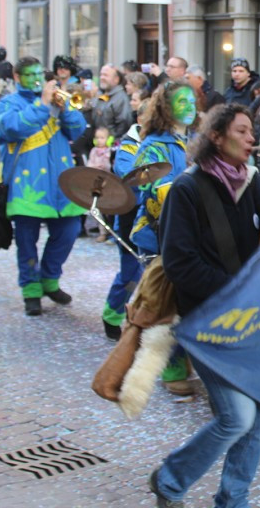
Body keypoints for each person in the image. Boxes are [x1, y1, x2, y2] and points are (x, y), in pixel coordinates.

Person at [148, 103, 260, 508]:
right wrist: (234, 290)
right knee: (237, 417)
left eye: (251, 132)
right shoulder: (187, 189)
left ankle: (233, 499)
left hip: (249, 320)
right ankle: (171, 479)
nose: (251, 139)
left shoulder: (252, 182)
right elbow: (179, 262)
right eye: (242, 132)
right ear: (216, 136)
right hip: (207, 321)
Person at [0, 56, 87, 316]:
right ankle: (31, 290)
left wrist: (66, 108)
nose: (36, 79)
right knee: (26, 240)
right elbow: (14, 128)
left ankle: (49, 278)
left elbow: (77, 130)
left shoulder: (57, 100)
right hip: (27, 185)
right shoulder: (8, 104)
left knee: (69, 230)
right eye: (30, 74)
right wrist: (43, 103)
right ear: (16, 77)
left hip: (61, 183)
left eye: (39, 73)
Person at [127, 81, 197, 393]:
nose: (190, 106)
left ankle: (191, 360)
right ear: (167, 108)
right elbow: (149, 190)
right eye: (183, 101)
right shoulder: (153, 146)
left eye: (192, 100)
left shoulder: (197, 139)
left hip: (195, 234)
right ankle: (171, 370)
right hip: (162, 235)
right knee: (169, 305)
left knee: (191, 302)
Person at [102, 103, 148, 341]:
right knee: (130, 273)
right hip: (132, 216)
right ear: (141, 118)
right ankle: (112, 314)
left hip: (154, 218)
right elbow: (129, 177)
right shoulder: (127, 146)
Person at [92, 64, 134, 141]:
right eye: (101, 75)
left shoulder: (121, 98)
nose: (102, 78)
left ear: (116, 79)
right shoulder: (100, 95)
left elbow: (123, 124)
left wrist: (111, 142)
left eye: (105, 75)